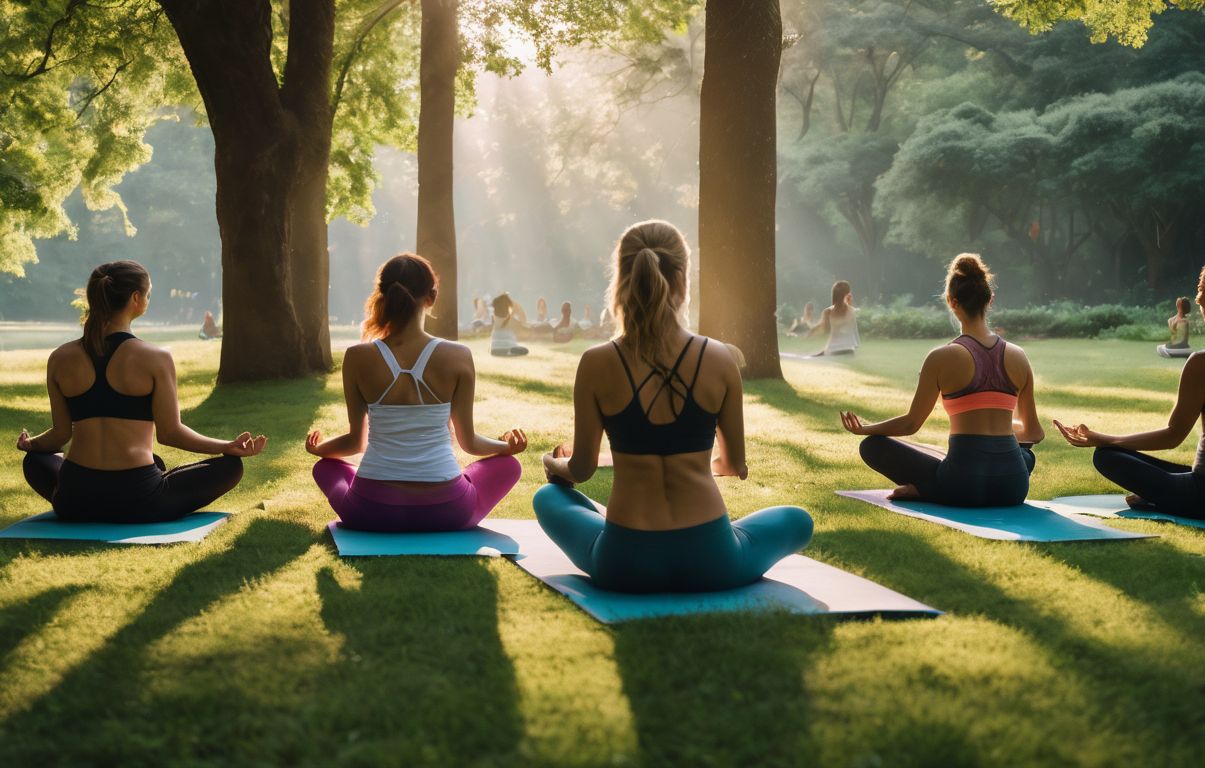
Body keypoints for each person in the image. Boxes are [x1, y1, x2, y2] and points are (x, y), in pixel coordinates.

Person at [532, 219, 813, 593]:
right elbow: (733, 466)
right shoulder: (720, 358)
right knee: (798, 520)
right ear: (682, 281)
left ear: (621, 281)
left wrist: (552, 463)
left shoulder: (596, 362)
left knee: (548, 496)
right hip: (712, 559)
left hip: (624, 563)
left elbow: (580, 470)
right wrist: (693, 463)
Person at [1055, 248, 1205, 519]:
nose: (1197, 296)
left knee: (1106, 455)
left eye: (1202, 288)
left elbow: (1173, 435)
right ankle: (1163, 493)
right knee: (1178, 471)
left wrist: (1105, 439)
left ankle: (1159, 496)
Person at [16, 261, 265, 522]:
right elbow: (170, 433)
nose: (147, 299)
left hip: (74, 499)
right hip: (139, 501)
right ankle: (152, 482)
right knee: (230, 467)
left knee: (35, 460)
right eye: (147, 294)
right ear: (136, 298)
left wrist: (31, 444)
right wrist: (227, 446)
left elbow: (60, 434)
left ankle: (116, 488)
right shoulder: (155, 357)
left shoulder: (60, 357)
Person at [306, 253, 527, 532]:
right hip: (447, 510)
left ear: (382, 296)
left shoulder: (356, 357)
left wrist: (319, 449)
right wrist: (507, 448)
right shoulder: (458, 355)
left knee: (324, 468)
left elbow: (354, 443)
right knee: (510, 466)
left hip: (371, 510)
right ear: (431, 298)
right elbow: (468, 442)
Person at [840, 254, 1045, 507]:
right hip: (1013, 487)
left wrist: (865, 428)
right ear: (989, 300)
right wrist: (999, 426)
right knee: (1025, 456)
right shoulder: (1019, 356)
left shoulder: (941, 357)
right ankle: (947, 484)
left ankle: (929, 490)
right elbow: (1034, 432)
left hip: (962, 484)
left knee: (872, 447)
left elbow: (911, 424)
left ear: (951, 302)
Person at [810, 281, 859, 355]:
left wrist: (812, 330)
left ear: (833, 295)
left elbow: (824, 330)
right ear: (848, 295)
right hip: (849, 349)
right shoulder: (853, 311)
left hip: (833, 350)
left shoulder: (827, 312)